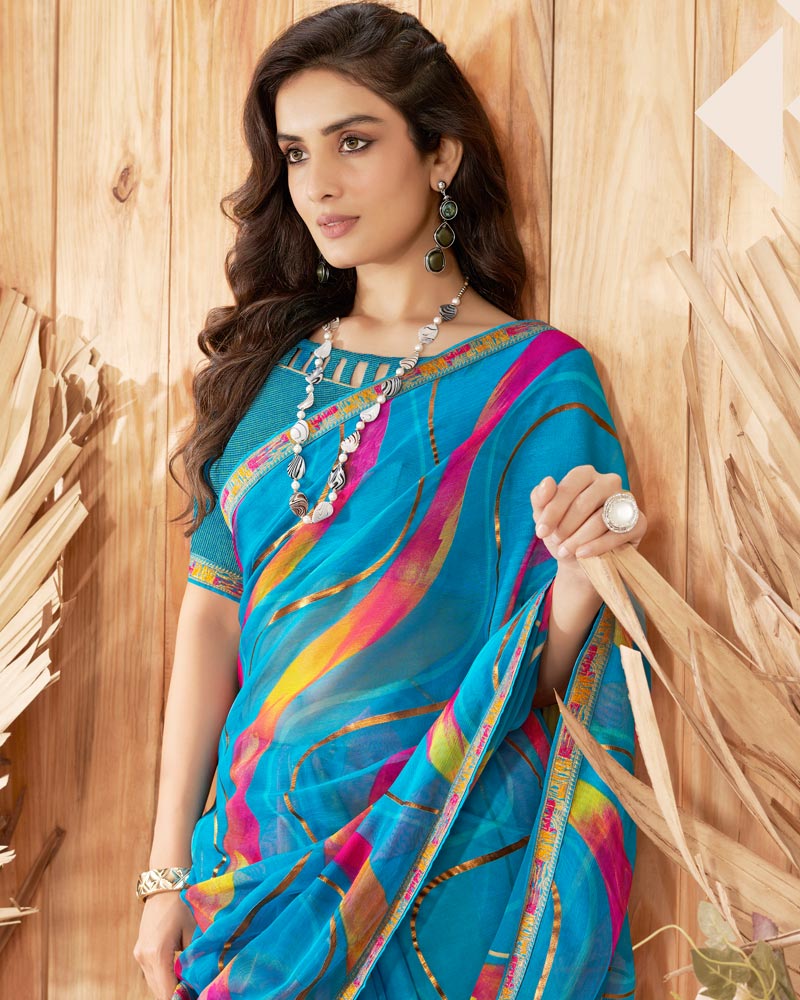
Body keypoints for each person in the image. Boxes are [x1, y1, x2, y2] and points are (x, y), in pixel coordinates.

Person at [133, 3, 649, 998]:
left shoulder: (534, 384)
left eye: (354, 142)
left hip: (434, 856)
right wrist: (164, 876)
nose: (317, 184)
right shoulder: (269, 372)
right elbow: (209, 620)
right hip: (250, 864)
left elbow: (540, 676)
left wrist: (584, 581)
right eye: (294, 153)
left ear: (440, 154)